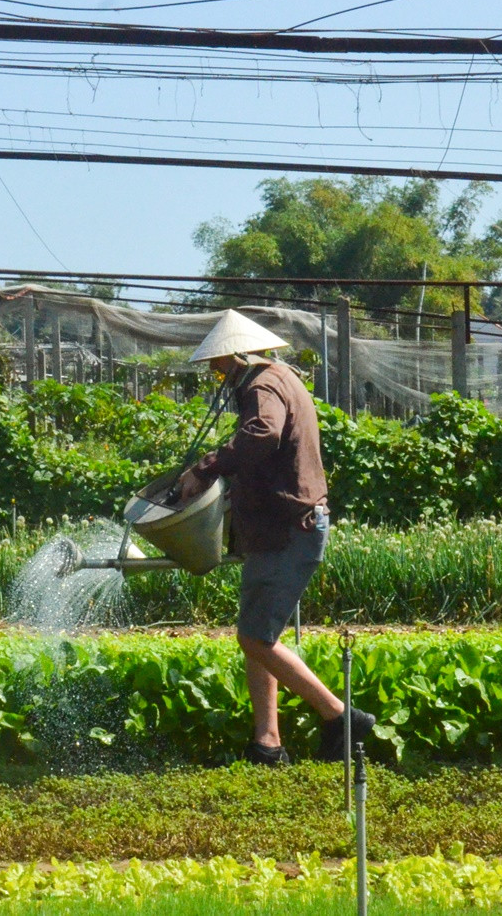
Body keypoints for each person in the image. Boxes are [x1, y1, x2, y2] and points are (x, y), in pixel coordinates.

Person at [175, 309, 374, 766]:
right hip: (276, 527)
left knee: (255, 638)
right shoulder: (282, 378)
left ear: (236, 358)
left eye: (218, 364)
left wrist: (205, 469)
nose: (214, 373)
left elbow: (263, 433)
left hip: (289, 527)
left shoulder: (262, 385)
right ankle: (267, 742)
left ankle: (341, 717)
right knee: (258, 633)